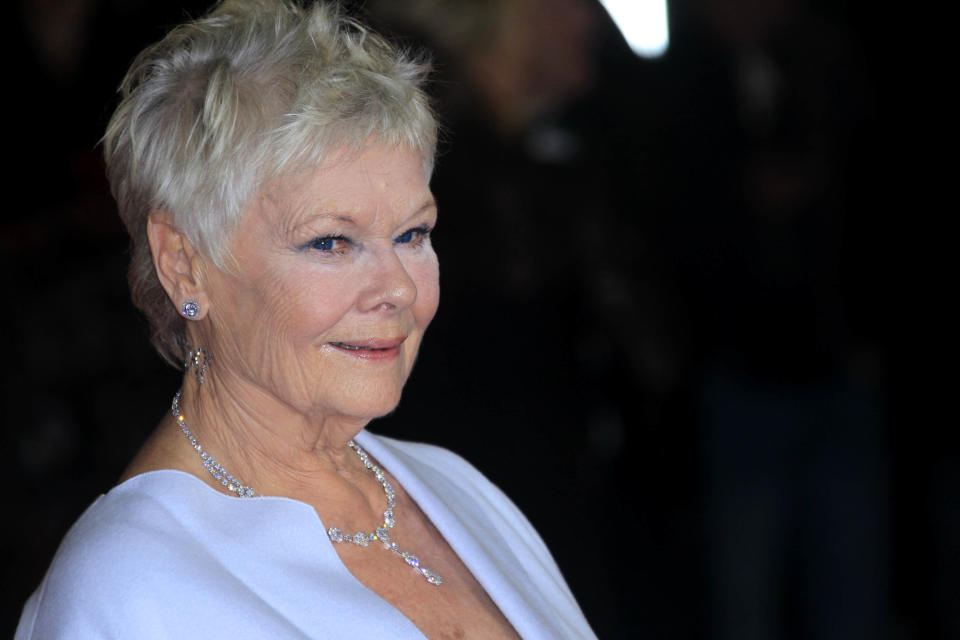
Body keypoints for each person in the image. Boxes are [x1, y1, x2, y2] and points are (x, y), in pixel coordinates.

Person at [14, 1, 596, 638]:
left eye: (412, 234)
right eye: (331, 242)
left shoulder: (455, 488)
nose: (399, 288)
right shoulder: (128, 590)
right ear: (184, 264)